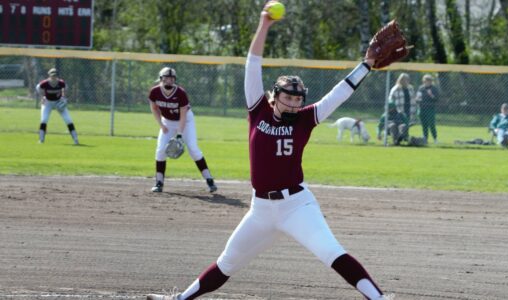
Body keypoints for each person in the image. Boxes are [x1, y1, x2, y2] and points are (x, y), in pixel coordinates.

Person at [147, 5, 399, 300]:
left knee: (332, 252)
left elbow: (340, 92)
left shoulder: (307, 118)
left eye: (297, 99)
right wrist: (264, 25)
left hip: (297, 206)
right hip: (260, 210)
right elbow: (252, 64)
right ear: (275, 97)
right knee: (227, 262)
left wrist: (367, 63)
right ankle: (179, 299)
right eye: (288, 98)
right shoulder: (258, 111)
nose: (293, 104)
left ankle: (380, 299)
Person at [148, 67, 217, 193]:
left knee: (193, 149)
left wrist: (179, 134)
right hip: (167, 122)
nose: (169, 81)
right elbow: (154, 109)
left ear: (174, 80)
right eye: (166, 78)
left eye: (171, 78)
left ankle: (209, 180)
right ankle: (159, 182)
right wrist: (161, 125)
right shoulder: (155, 92)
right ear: (161, 79)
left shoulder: (180, 93)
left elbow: (183, 115)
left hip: (186, 121)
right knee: (160, 150)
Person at [36, 68, 79, 145]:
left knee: (68, 120)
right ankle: (41, 140)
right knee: (44, 120)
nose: (54, 77)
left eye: (55, 75)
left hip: (58, 102)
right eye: (52, 76)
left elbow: (66, 88)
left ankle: (76, 139)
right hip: (48, 102)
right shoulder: (44, 83)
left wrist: (63, 97)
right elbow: (38, 88)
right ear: (49, 76)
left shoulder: (61, 83)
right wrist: (42, 97)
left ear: (57, 76)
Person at [415, 74, 439, 144]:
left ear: (431, 81)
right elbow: (417, 98)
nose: (428, 82)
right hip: (421, 109)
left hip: (430, 109)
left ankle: (435, 138)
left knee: (431, 124)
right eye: (426, 81)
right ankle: (425, 139)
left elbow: (436, 99)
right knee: (424, 125)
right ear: (423, 81)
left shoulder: (434, 89)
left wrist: (431, 95)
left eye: (429, 81)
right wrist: (417, 99)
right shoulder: (421, 88)